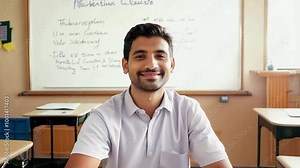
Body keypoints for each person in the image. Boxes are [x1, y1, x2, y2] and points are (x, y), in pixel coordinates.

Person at [65, 23, 232, 168]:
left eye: (160, 56)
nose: (151, 65)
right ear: (125, 65)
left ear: (171, 64)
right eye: (140, 56)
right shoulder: (103, 117)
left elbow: (218, 163)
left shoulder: (188, 110)